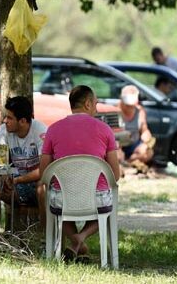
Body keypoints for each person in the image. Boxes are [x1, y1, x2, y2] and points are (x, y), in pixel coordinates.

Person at [39, 85, 121, 262]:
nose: (96, 108)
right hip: (96, 199)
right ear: (88, 103)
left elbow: (43, 172)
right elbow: (115, 174)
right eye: (96, 104)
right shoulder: (105, 130)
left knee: (59, 203)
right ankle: (81, 238)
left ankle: (75, 241)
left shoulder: (53, 129)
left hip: (62, 200)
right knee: (106, 205)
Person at [0, 96, 47, 231]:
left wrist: (17, 180)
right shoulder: (3, 131)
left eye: (10, 118)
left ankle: (44, 237)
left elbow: (43, 169)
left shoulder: (41, 132)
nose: (5, 121)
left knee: (44, 187)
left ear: (23, 121)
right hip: (14, 186)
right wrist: (3, 176)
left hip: (36, 186)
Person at [117, 85, 155, 172]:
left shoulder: (140, 110)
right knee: (116, 155)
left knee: (148, 152)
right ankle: (121, 164)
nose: (130, 107)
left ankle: (128, 163)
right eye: (128, 105)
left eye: (132, 105)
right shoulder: (115, 111)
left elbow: (144, 129)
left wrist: (146, 135)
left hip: (134, 144)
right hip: (119, 145)